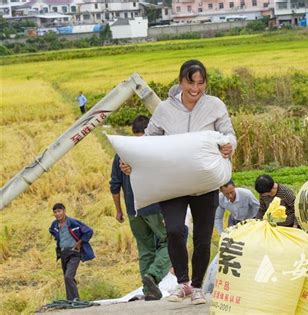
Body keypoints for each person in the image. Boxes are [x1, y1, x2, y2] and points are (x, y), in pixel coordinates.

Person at [121, 59, 236, 305]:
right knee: (174, 230)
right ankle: (182, 283)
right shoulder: (165, 109)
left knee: (203, 239)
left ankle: (196, 287)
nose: (195, 88)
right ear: (180, 81)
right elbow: (148, 142)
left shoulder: (214, 105)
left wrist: (229, 145)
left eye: (200, 82)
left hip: (204, 183)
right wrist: (131, 162)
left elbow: (229, 132)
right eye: (190, 82)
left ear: (205, 82)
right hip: (173, 184)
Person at [110, 115, 171, 301]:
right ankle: (153, 275)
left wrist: (119, 210)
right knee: (173, 241)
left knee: (145, 250)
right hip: (153, 207)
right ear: (148, 131)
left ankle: (148, 290)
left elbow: (114, 185)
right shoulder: (151, 148)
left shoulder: (121, 152)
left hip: (132, 210)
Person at [48, 203, 94, 301]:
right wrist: (59, 240)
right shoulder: (54, 224)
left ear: (64, 211)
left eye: (59, 211)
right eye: (55, 212)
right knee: (68, 277)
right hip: (63, 254)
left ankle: (75, 301)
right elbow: (52, 231)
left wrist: (80, 242)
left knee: (68, 276)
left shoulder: (73, 223)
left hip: (74, 253)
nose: (57, 214)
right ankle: (71, 300)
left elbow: (89, 231)